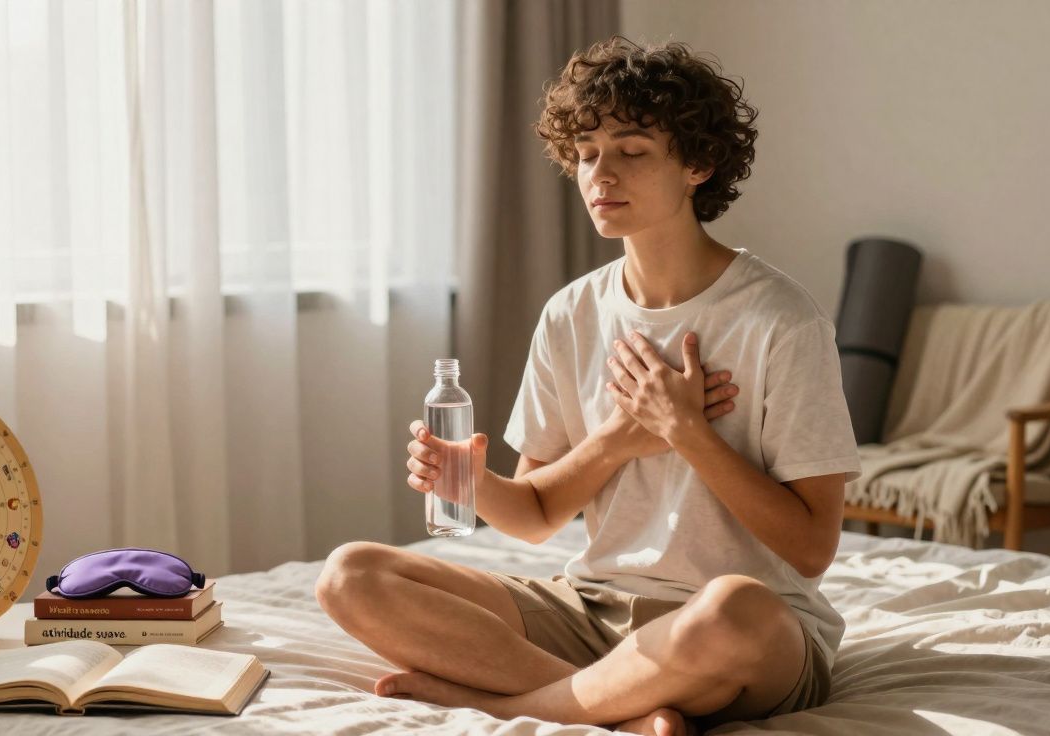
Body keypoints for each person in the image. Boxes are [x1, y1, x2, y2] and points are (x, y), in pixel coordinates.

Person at [316, 35, 862, 736]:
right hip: (592, 610)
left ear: (698, 163)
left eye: (631, 151)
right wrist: (476, 480)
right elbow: (534, 517)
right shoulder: (572, 313)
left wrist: (686, 433)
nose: (601, 174)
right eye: (586, 155)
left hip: (744, 630)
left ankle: (512, 703)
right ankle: (624, 705)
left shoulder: (781, 320)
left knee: (735, 611)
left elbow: (813, 548)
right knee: (350, 575)